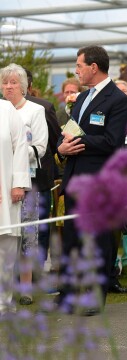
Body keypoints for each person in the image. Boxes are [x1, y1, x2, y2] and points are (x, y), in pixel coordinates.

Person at [56, 45, 127, 316]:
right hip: (75, 179)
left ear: (94, 67)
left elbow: (113, 141)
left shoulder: (118, 100)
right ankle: (67, 293)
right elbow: (68, 132)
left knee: (98, 239)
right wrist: (60, 148)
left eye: (79, 65)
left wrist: (79, 141)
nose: (76, 70)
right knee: (72, 239)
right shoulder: (83, 98)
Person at [0, 63, 49, 306]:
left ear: (24, 86)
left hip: (27, 180)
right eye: (5, 83)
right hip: (3, 179)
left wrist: (16, 153)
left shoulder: (35, 111)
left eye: (13, 83)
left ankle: (27, 286)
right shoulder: (2, 110)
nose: (8, 87)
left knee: (28, 233)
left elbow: (40, 147)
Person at [24, 69, 61, 280]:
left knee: (40, 224)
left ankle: (35, 272)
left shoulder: (43, 107)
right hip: (14, 177)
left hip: (39, 174)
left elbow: (55, 140)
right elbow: (57, 141)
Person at [0, 99, 31, 314]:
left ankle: (3, 301)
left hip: (6, 188)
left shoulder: (6, 109)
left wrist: (18, 183)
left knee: (6, 246)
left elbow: (20, 146)